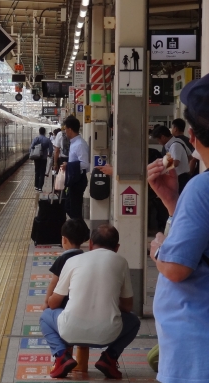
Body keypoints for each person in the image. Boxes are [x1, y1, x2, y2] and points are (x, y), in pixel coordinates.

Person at [147, 73, 209, 383]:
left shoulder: (203, 188)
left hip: (196, 353)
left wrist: (157, 249)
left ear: (194, 138)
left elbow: (176, 268)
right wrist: (173, 202)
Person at [40, 224, 140, 379]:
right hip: (107, 335)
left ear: (91, 244)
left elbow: (53, 303)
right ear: (117, 247)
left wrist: (49, 301)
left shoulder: (73, 261)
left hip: (70, 331)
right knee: (134, 321)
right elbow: (127, 307)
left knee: (45, 316)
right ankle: (110, 358)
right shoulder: (121, 262)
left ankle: (61, 356)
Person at [43, 219, 90, 310]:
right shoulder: (84, 257)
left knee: (46, 315)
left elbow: (53, 283)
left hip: (63, 304)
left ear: (64, 239)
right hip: (80, 302)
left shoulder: (62, 260)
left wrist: (46, 302)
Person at [60, 116, 89, 219]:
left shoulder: (80, 144)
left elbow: (85, 164)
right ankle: (81, 231)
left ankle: (83, 232)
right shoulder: (74, 143)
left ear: (70, 129)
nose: (65, 132)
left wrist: (69, 165)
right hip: (73, 179)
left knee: (74, 210)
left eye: (65, 129)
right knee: (69, 207)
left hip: (78, 180)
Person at [150, 125, 192, 193]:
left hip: (181, 178)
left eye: (158, 140)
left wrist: (163, 169)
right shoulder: (177, 141)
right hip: (183, 176)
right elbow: (190, 156)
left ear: (163, 137)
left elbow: (175, 163)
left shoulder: (174, 145)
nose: (159, 142)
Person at [30, 127, 54, 192]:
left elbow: (31, 147)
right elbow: (51, 149)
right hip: (44, 158)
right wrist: (50, 154)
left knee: (37, 171)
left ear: (39, 131)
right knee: (42, 172)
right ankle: (40, 187)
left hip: (36, 158)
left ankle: (36, 186)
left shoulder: (36, 139)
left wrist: (32, 154)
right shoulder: (47, 140)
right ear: (44, 132)